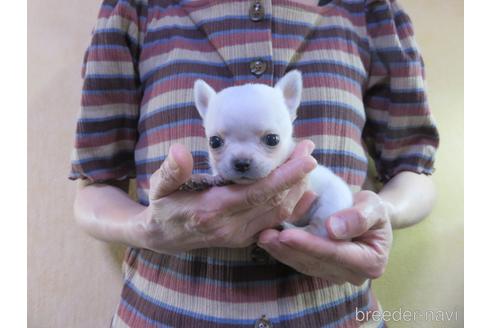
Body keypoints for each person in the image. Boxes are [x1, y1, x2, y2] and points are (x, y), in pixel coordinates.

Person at [70, 0, 439, 326]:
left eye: (269, 140)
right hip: (163, 312)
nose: (242, 159)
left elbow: (415, 168)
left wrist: (373, 213)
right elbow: (94, 185)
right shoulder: (138, 8)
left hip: (337, 314)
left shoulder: (370, 10)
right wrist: (145, 228)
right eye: (217, 143)